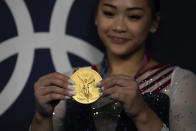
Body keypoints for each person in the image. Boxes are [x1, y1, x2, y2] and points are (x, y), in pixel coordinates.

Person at [30, 0, 196, 130]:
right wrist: (41, 117)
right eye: (109, 13)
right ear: (96, 16)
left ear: (154, 22)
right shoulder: (70, 81)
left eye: (134, 16)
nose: (119, 26)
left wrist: (142, 114)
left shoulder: (179, 80)